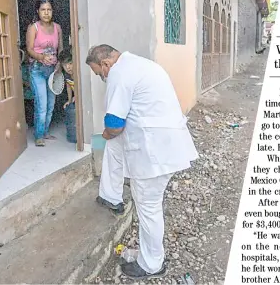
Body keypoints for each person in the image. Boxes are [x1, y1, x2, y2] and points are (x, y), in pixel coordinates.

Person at [85, 45, 198, 280]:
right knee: (114, 149)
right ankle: (111, 196)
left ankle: (151, 264)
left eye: (99, 73)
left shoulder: (118, 72)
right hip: (169, 144)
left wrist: (102, 136)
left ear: (105, 64)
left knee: (148, 206)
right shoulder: (140, 64)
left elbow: (115, 124)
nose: (102, 77)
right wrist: (104, 142)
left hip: (154, 153)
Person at [26, 0, 63, 146]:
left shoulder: (57, 28)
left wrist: (59, 64)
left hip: (52, 71)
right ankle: (39, 135)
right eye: (43, 10)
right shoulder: (33, 28)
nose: (46, 13)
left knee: (51, 105)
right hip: (37, 70)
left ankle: (45, 132)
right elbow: (29, 49)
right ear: (38, 11)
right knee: (41, 104)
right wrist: (41, 57)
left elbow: (60, 49)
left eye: (49, 9)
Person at [58, 48, 77, 144]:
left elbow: (81, 89)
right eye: (65, 65)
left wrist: (75, 98)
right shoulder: (67, 75)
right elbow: (69, 86)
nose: (68, 67)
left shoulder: (77, 73)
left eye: (70, 63)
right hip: (75, 97)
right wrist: (69, 100)